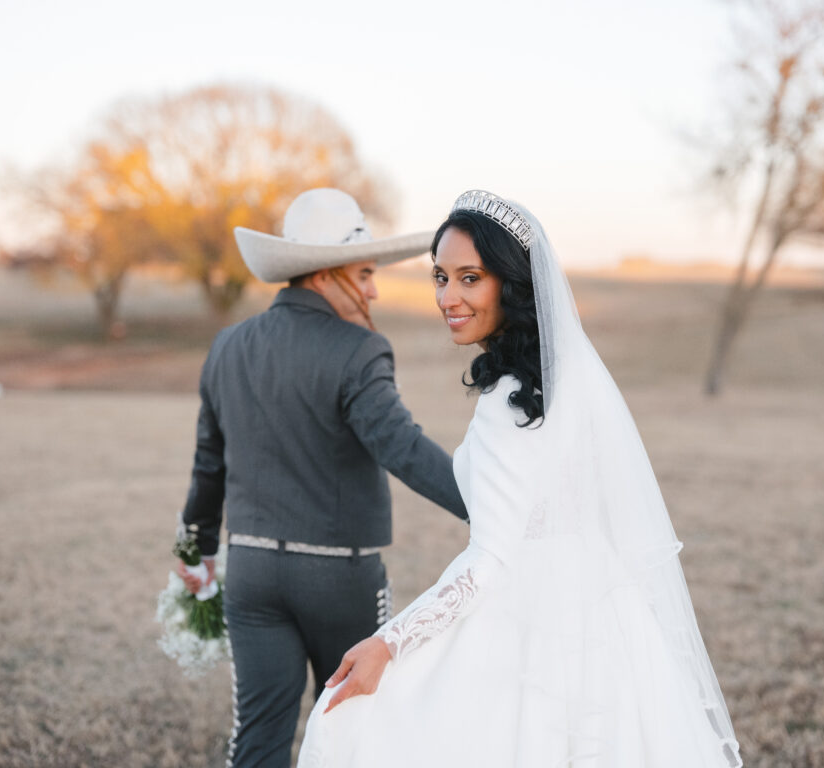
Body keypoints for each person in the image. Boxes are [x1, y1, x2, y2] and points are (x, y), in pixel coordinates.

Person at [297, 190, 743, 767]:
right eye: (439, 276)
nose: (446, 297)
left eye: (468, 278)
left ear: (509, 284)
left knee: (353, 724)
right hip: (601, 612)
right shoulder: (561, 385)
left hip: (532, 626)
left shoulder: (512, 399)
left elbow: (489, 563)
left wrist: (390, 642)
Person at [175, 188, 468, 768]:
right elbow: (401, 447)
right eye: (364, 273)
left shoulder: (228, 346)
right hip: (341, 579)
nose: (374, 289)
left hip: (253, 573)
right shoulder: (359, 350)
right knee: (356, 730)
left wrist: (193, 552)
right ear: (326, 274)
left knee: (258, 738)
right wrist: (489, 504)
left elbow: (208, 462)